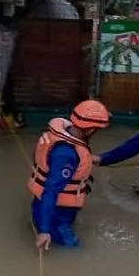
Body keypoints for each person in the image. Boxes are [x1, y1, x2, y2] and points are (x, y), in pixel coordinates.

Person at [28, 100, 111, 251]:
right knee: (74, 251)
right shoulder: (67, 154)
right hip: (55, 215)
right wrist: (44, 231)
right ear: (90, 130)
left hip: (49, 208)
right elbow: (50, 191)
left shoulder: (60, 133)